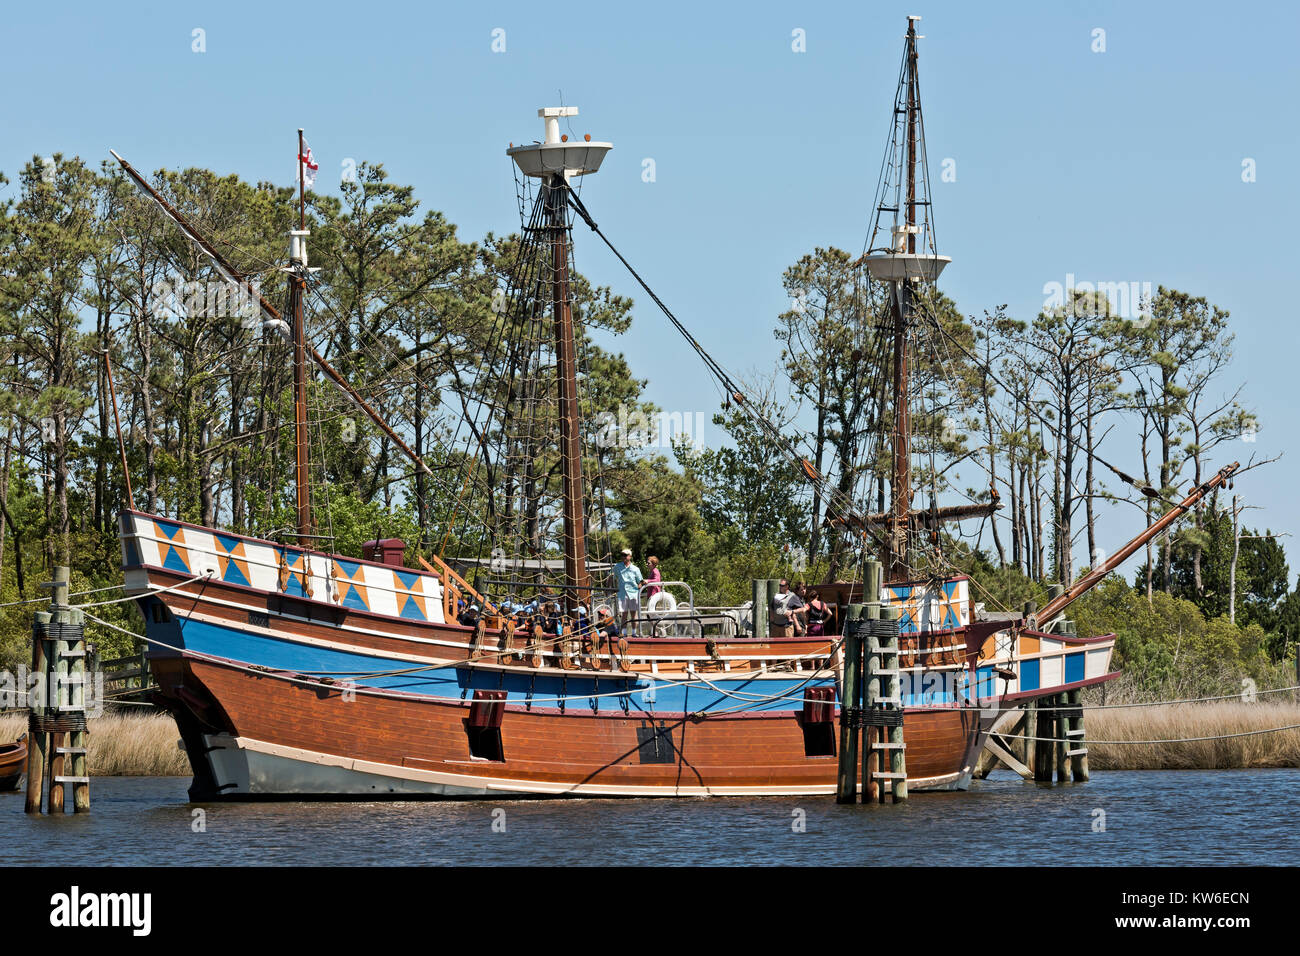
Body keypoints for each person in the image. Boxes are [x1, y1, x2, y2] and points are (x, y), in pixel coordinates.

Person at [614, 548, 643, 632]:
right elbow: (612, 576)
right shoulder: (617, 567)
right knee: (624, 614)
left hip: (633, 594)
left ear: (630, 556)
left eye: (625, 555)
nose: (623, 557)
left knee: (634, 614)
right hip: (622, 594)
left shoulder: (635, 569)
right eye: (622, 555)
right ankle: (624, 632)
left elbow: (640, 581)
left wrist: (639, 586)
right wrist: (609, 588)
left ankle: (634, 632)